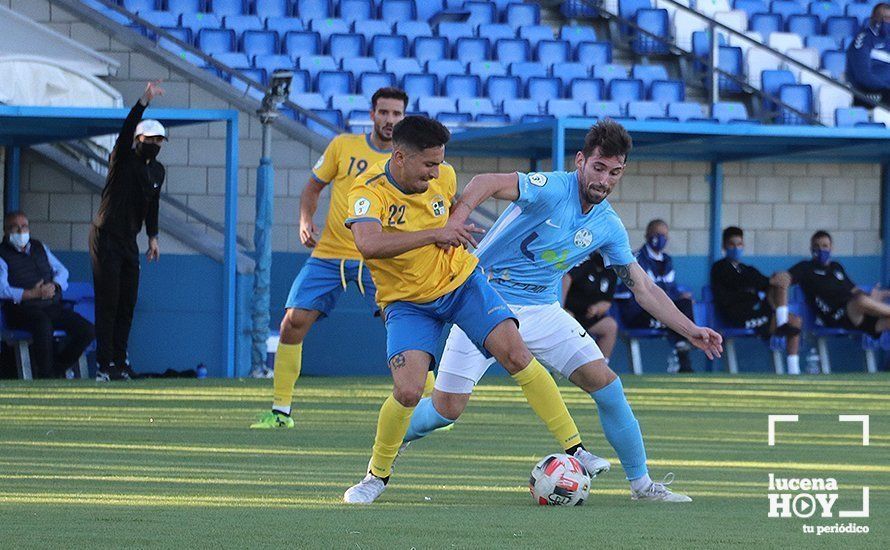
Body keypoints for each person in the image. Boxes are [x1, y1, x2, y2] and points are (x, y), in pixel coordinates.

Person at [392, 119, 723, 504]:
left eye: (615, 172)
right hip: (483, 299)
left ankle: (643, 485)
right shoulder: (550, 188)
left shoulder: (608, 225)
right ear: (581, 161)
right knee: (446, 409)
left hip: (543, 309)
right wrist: (458, 216)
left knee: (608, 385)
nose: (605, 179)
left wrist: (689, 328)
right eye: (598, 168)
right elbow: (485, 181)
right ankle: (392, 440)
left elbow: (643, 287)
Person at [342, 116, 615, 504]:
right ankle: (376, 476)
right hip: (407, 304)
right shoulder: (368, 190)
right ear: (400, 157)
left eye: (440, 163)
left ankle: (575, 449)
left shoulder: (445, 176)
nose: (437, 172)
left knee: (517, 354)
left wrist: (453, 224)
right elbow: (368, 244)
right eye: (429, 164)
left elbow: (454, 209)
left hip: (462, 285)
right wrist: (438, 233)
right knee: (407, 392)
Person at [250, 88, 416, 429]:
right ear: (371, 114)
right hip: (329, 254)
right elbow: (312, 187)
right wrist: (305, 220)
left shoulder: (406, 159)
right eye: (383, 112)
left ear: (404, 118)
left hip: (380, 257)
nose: (389, 120)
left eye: (396, 114)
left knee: (407, 325)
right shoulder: (343, 146)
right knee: (292, 323)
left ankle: (431, 409)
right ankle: (280, 412)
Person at [90, 80, 165, 382]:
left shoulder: (157, 171)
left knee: (127, 303)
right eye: (151, 138)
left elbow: (152, 204)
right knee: (108, 301)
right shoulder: (122, 159)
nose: (156, 143)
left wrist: (153, 237)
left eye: (160, 140)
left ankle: (120, 361)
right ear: (138, 139)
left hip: (128, 241)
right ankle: (103, 364)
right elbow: (125, 131)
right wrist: (143, 102)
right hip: (106, 235)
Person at [0, 211, 95, 378]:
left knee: (87, 330)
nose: (22, 231)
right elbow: (2, 289)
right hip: (20, 309)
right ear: (6, 231)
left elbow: (62, 270)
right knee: (43, 324)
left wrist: (55, 285)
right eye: (16, 228)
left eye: (25, 227)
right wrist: (32, 293)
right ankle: (46, 375)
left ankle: (57, 369)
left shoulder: (39, 247)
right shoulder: (2, 254)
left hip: (49, 304)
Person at [710, 226, 802, 374]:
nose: (736, 248)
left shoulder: (747, 269)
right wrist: (762, 285)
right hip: (738, 315)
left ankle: (793, 370)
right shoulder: (719, 268)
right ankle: (781, 323)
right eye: (732, 244)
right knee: (774, 284)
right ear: (724, 246)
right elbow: (739, 284)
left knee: (795, 319)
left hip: (756, 312)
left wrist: (776, 279)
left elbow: (764, 281)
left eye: (739, 244)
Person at [615, 219, 697, 372]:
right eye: (656, 234)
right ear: (647, 235)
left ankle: (681, 347)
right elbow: (641, 290)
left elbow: (670, 288)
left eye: (664, 235)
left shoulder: (667, 260)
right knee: (673, 318)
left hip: (659, 310)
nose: (660, 238)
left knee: (685, 303)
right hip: (640, 311)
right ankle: (682, 353)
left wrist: (680, 295)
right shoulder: (636, 258)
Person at [789, 230, 890, 337]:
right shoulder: (805, 268)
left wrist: (873, 296)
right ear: (811, 249)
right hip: (835, 316)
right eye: (816, 246)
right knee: (860, 300)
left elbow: (854, 290)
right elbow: (786, 278)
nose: (821, 250)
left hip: (856, 315)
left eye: (825, 246)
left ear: (831, 248)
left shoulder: (836, 267)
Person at [562, 252, 619, 362]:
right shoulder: (584, 263)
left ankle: (602, 365)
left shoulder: (611, 272)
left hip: (588, 315)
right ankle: (562, 365)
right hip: (571, 312)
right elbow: (566, 279)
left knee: (610, 326)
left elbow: (607, 302)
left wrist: (597, 308)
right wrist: (561, 307)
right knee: (567, 319)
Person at [847, 3, 890, 106]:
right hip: (869, 94)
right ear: (877, 20)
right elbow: (863, 76)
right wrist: (887, 88)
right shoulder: (863, 40)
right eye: (887, 19)